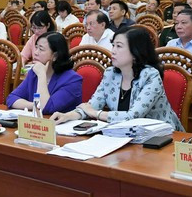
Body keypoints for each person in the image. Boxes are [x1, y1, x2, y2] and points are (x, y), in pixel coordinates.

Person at [51, 26, 183, 130]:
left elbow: (133, 116)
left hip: (159, 138)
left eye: (119, 46)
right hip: (124, 134)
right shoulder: (110, 74)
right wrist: (68, 116)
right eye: (113, 45)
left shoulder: (150, 75)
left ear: (136, 52)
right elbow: (92, 105)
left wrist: (96, 114)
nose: (113, 50)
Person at [7, 32, 82, 114]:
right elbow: (12, 99)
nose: (35, 52)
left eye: (41, 49)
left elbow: (46, 108)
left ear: (55, 56)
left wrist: (42, 75)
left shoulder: (72, 80)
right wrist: (34, 105)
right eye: (36, 47)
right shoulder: (34, 72)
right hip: (36, 120)